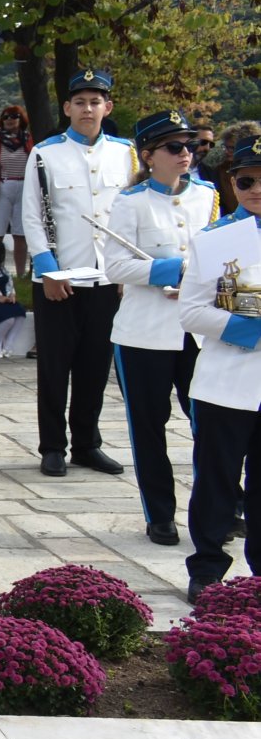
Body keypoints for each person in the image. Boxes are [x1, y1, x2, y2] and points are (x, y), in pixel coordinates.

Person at [106, 110, 220, 547]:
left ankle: (220, 507)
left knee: (208, 423)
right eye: (174, 147)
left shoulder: (207, 197)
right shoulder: (129, 203)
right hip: (145, 332)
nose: (185, 154)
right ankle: (160, 514)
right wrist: (170, 270)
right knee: (149, 427)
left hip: (198, 331)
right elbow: (114, 265)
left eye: (189, 145)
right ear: (149, 155)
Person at [20, 68, 134, 479]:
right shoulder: (45, 153)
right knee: (54, 366)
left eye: (96, 101)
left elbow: (129, 217)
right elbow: (32, 216)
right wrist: (48, 269)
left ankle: (87, 444)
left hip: (108, 278)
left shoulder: (127, 154)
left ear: (108, 106)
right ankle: (52, 445)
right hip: (60, 277)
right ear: (67, 108)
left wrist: (127, 271)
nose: (88, 108)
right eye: (80, 102)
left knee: (94, 364)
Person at [178, 137, 261, 602]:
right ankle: (208, 567)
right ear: (232, 183)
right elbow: (191, 313)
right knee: (216, 482)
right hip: (226, 384)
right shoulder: (214, 238)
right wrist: (250, 330)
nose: (255, 189)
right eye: (246, 180)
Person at [0, 104, 34, 281]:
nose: (10, 120)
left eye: (14, 116)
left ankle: (20, 273)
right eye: (6, 117)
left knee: (20, 234)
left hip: (24, 187)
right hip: (3, 187)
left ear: (21, 119)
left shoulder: (29, 141)